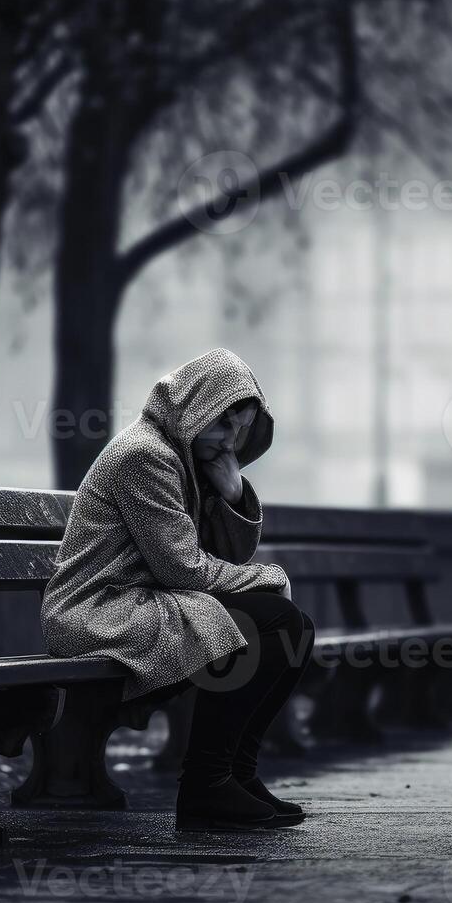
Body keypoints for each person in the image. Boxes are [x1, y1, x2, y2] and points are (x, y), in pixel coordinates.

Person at [40, 348, 315, 831]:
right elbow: (183, 571)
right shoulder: (145, 456)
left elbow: (226, 561)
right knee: (275, 620)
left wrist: (231, 493)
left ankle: (236, 776)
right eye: (223, 425)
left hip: (145, 601)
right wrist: (273, 578)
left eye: (241, 429)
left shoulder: (187, 458)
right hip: (98, 610)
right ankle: (206, 785)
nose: (231, 442)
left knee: (294, 628)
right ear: (196, 406)